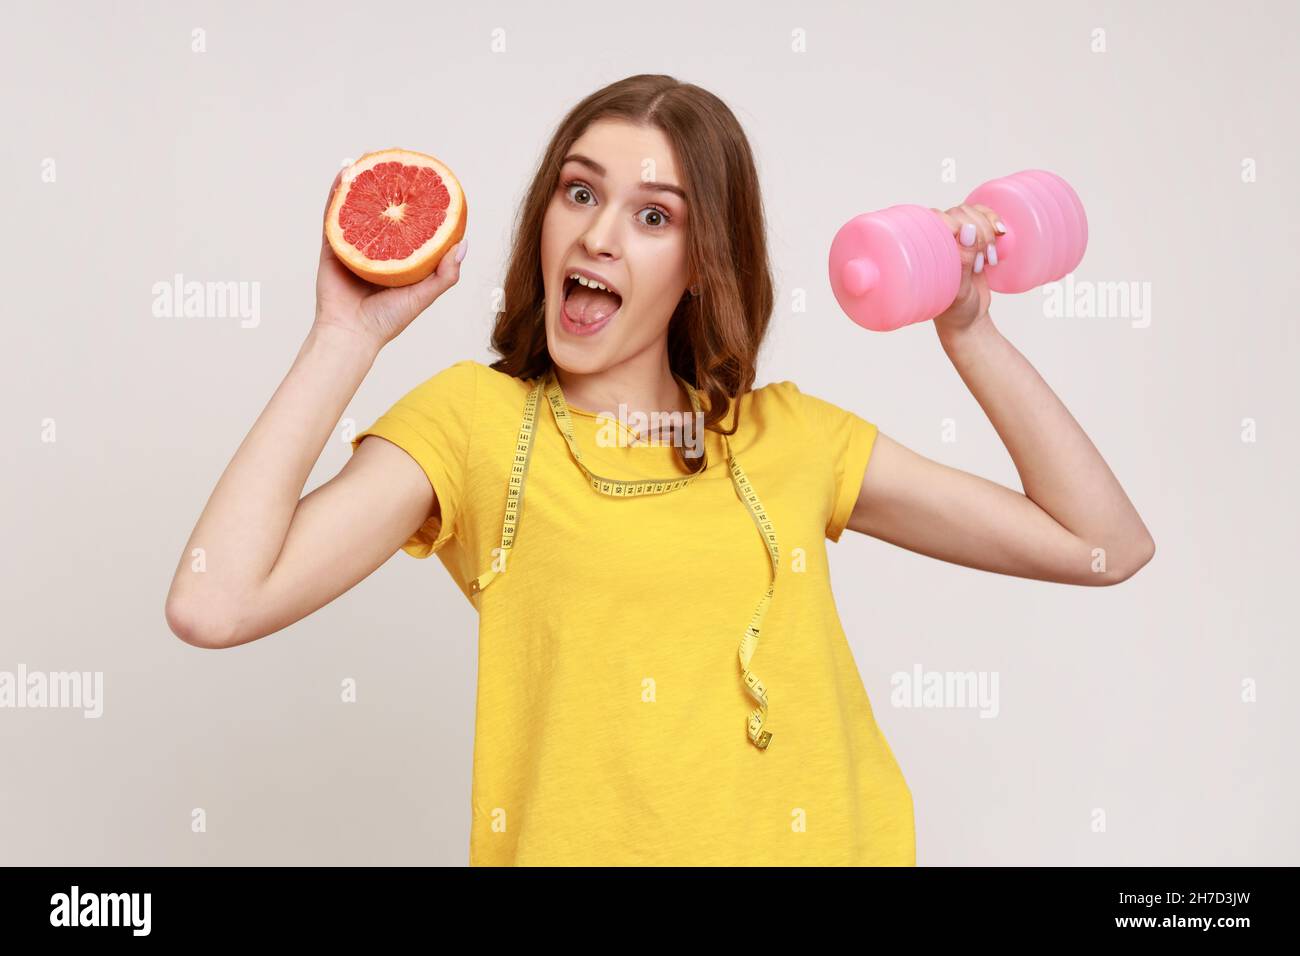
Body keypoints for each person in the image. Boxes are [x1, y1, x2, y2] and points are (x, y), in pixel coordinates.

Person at [164, 74, 1155, 867]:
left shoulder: (788, 437)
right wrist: (344, 335)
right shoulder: (477, 425)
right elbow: (215, 605)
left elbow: (1101, 545)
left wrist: (970, 330)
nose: (596, 233)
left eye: (653, 216)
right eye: (580, 191)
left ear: (703, 260)